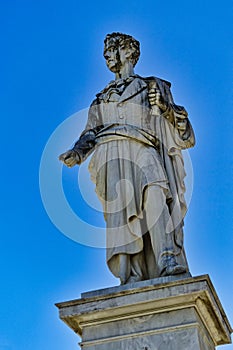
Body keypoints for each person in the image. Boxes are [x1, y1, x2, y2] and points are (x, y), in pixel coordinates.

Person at [59, 32, 195, 284]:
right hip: (110, 153)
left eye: (112, 49)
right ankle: (131, 273)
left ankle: (168, 258)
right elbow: (90, 132)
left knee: (156, 194)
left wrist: (166, 108)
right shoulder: (101, 98)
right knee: (122, 212)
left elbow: (185, 136)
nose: (107, 56)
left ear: (129, 51)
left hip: (144, 146)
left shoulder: (152, 86)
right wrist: (77, 152)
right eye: (106, 52)